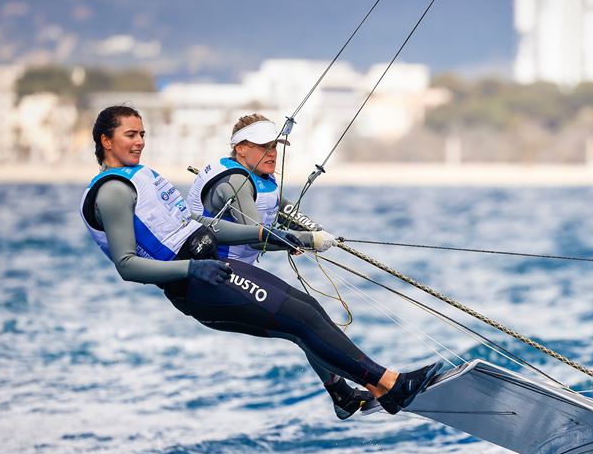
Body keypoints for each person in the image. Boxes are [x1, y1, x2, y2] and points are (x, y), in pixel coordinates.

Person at [80, 105, 442, 418]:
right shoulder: (112, 190)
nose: (140, 141)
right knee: (302, 319)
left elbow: (198, 226)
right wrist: (196, 268)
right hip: (196, 283)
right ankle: (391, 384)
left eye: (143, 133)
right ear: (106, 141)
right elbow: (127, 266)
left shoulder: (141, 176)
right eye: (130, 134)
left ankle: (355, 393)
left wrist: (280, 238)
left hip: (213, 273)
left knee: (307, 310)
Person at [186, 113, 375, 419]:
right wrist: (304, 240)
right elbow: (256, 237)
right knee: (304, 319)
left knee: (307, 315)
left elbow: (285, 214)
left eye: (275, 145)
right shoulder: (235, 182)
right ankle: (380, 384)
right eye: (264, 146)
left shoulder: (260, 178)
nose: (272, 152)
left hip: (236, 275)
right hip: (216, 279)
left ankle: (343, 395)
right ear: (240, 148)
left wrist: (316, 235)